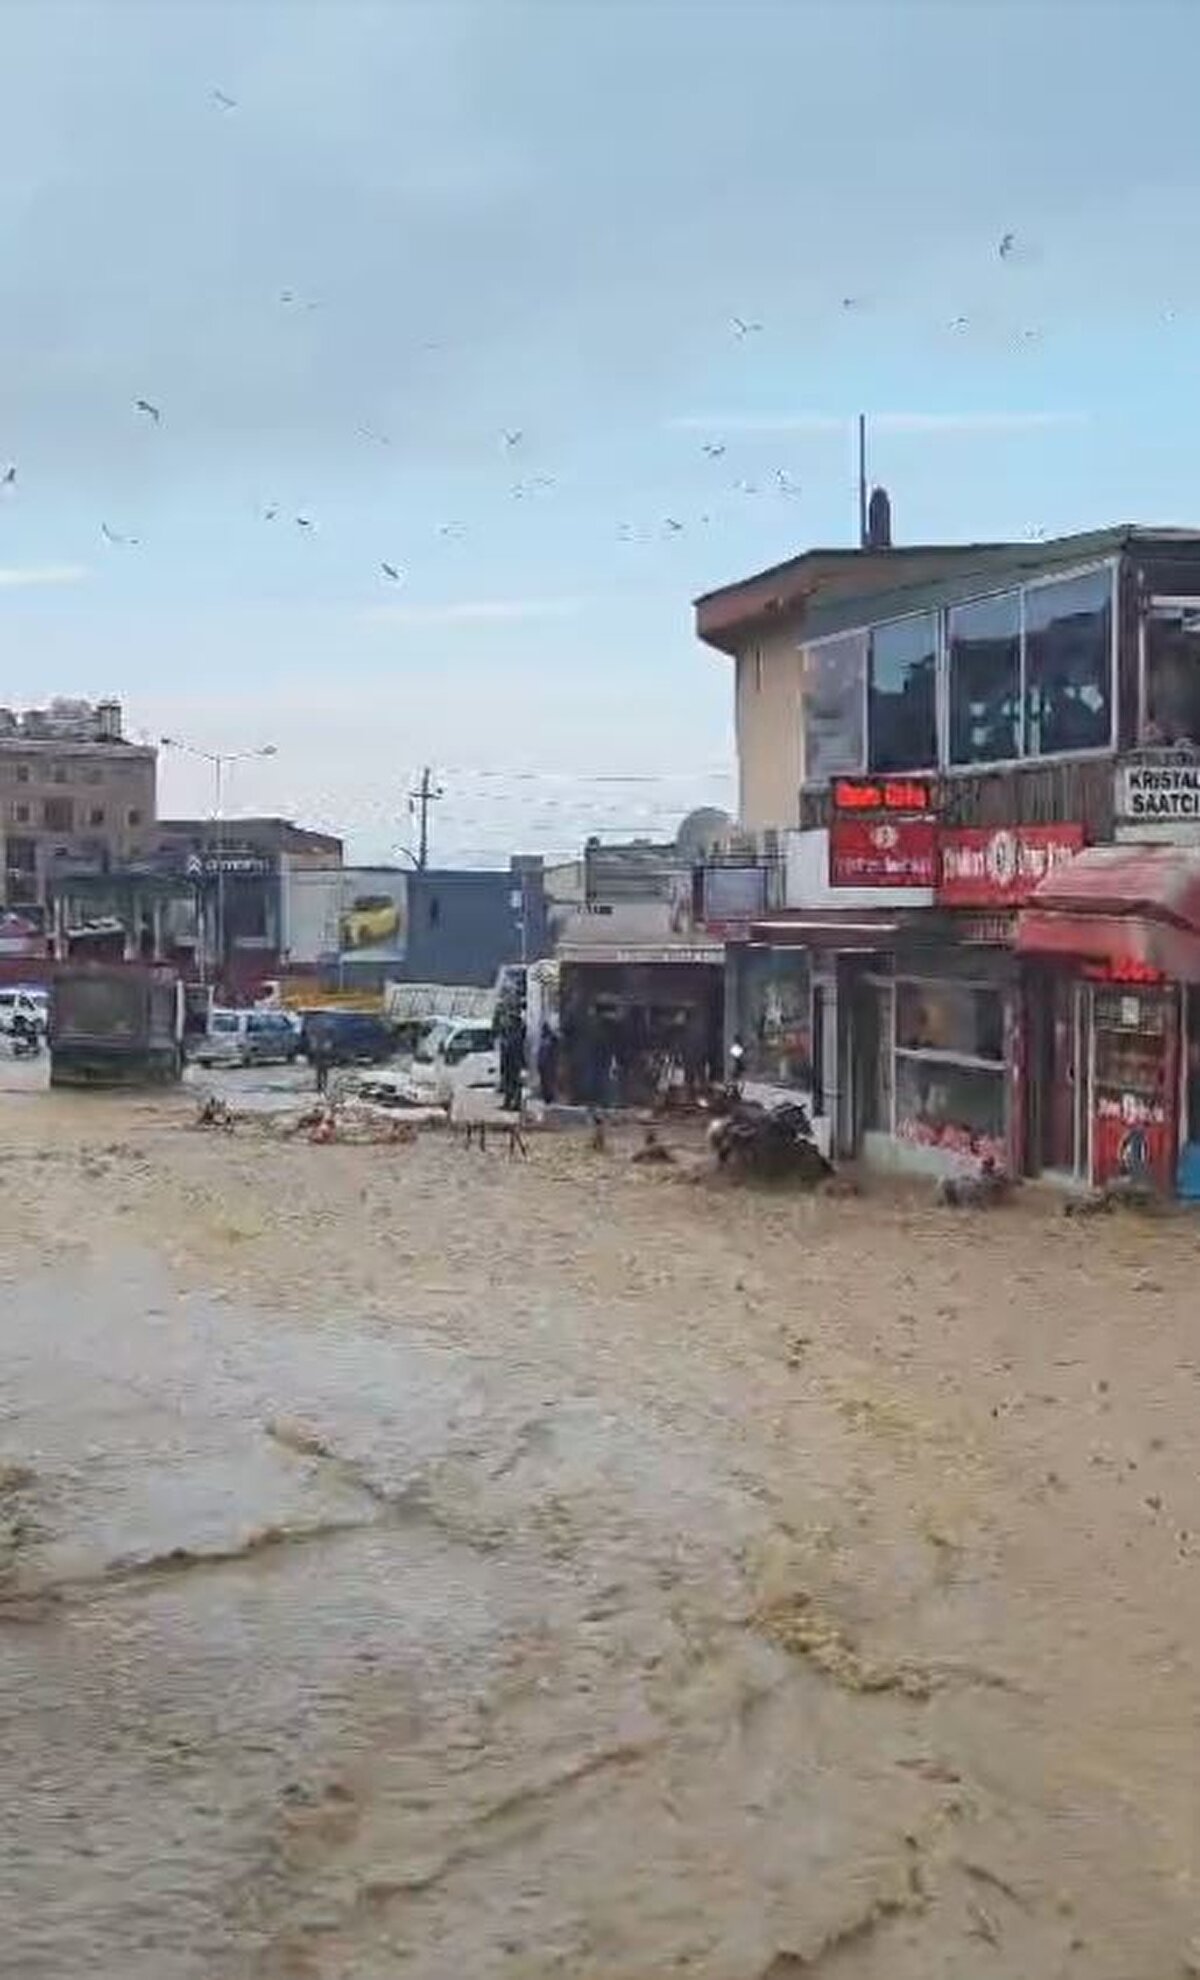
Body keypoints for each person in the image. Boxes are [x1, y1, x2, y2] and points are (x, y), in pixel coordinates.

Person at [536, 1022, 559, 1104]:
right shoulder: (543, 1041)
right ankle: (546, 1097)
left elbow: (553, 1054)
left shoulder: (550, 1041)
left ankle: (550, 1097)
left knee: (549, 1082)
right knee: (544, 1083)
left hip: (548, 1066)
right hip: (543, 1065)